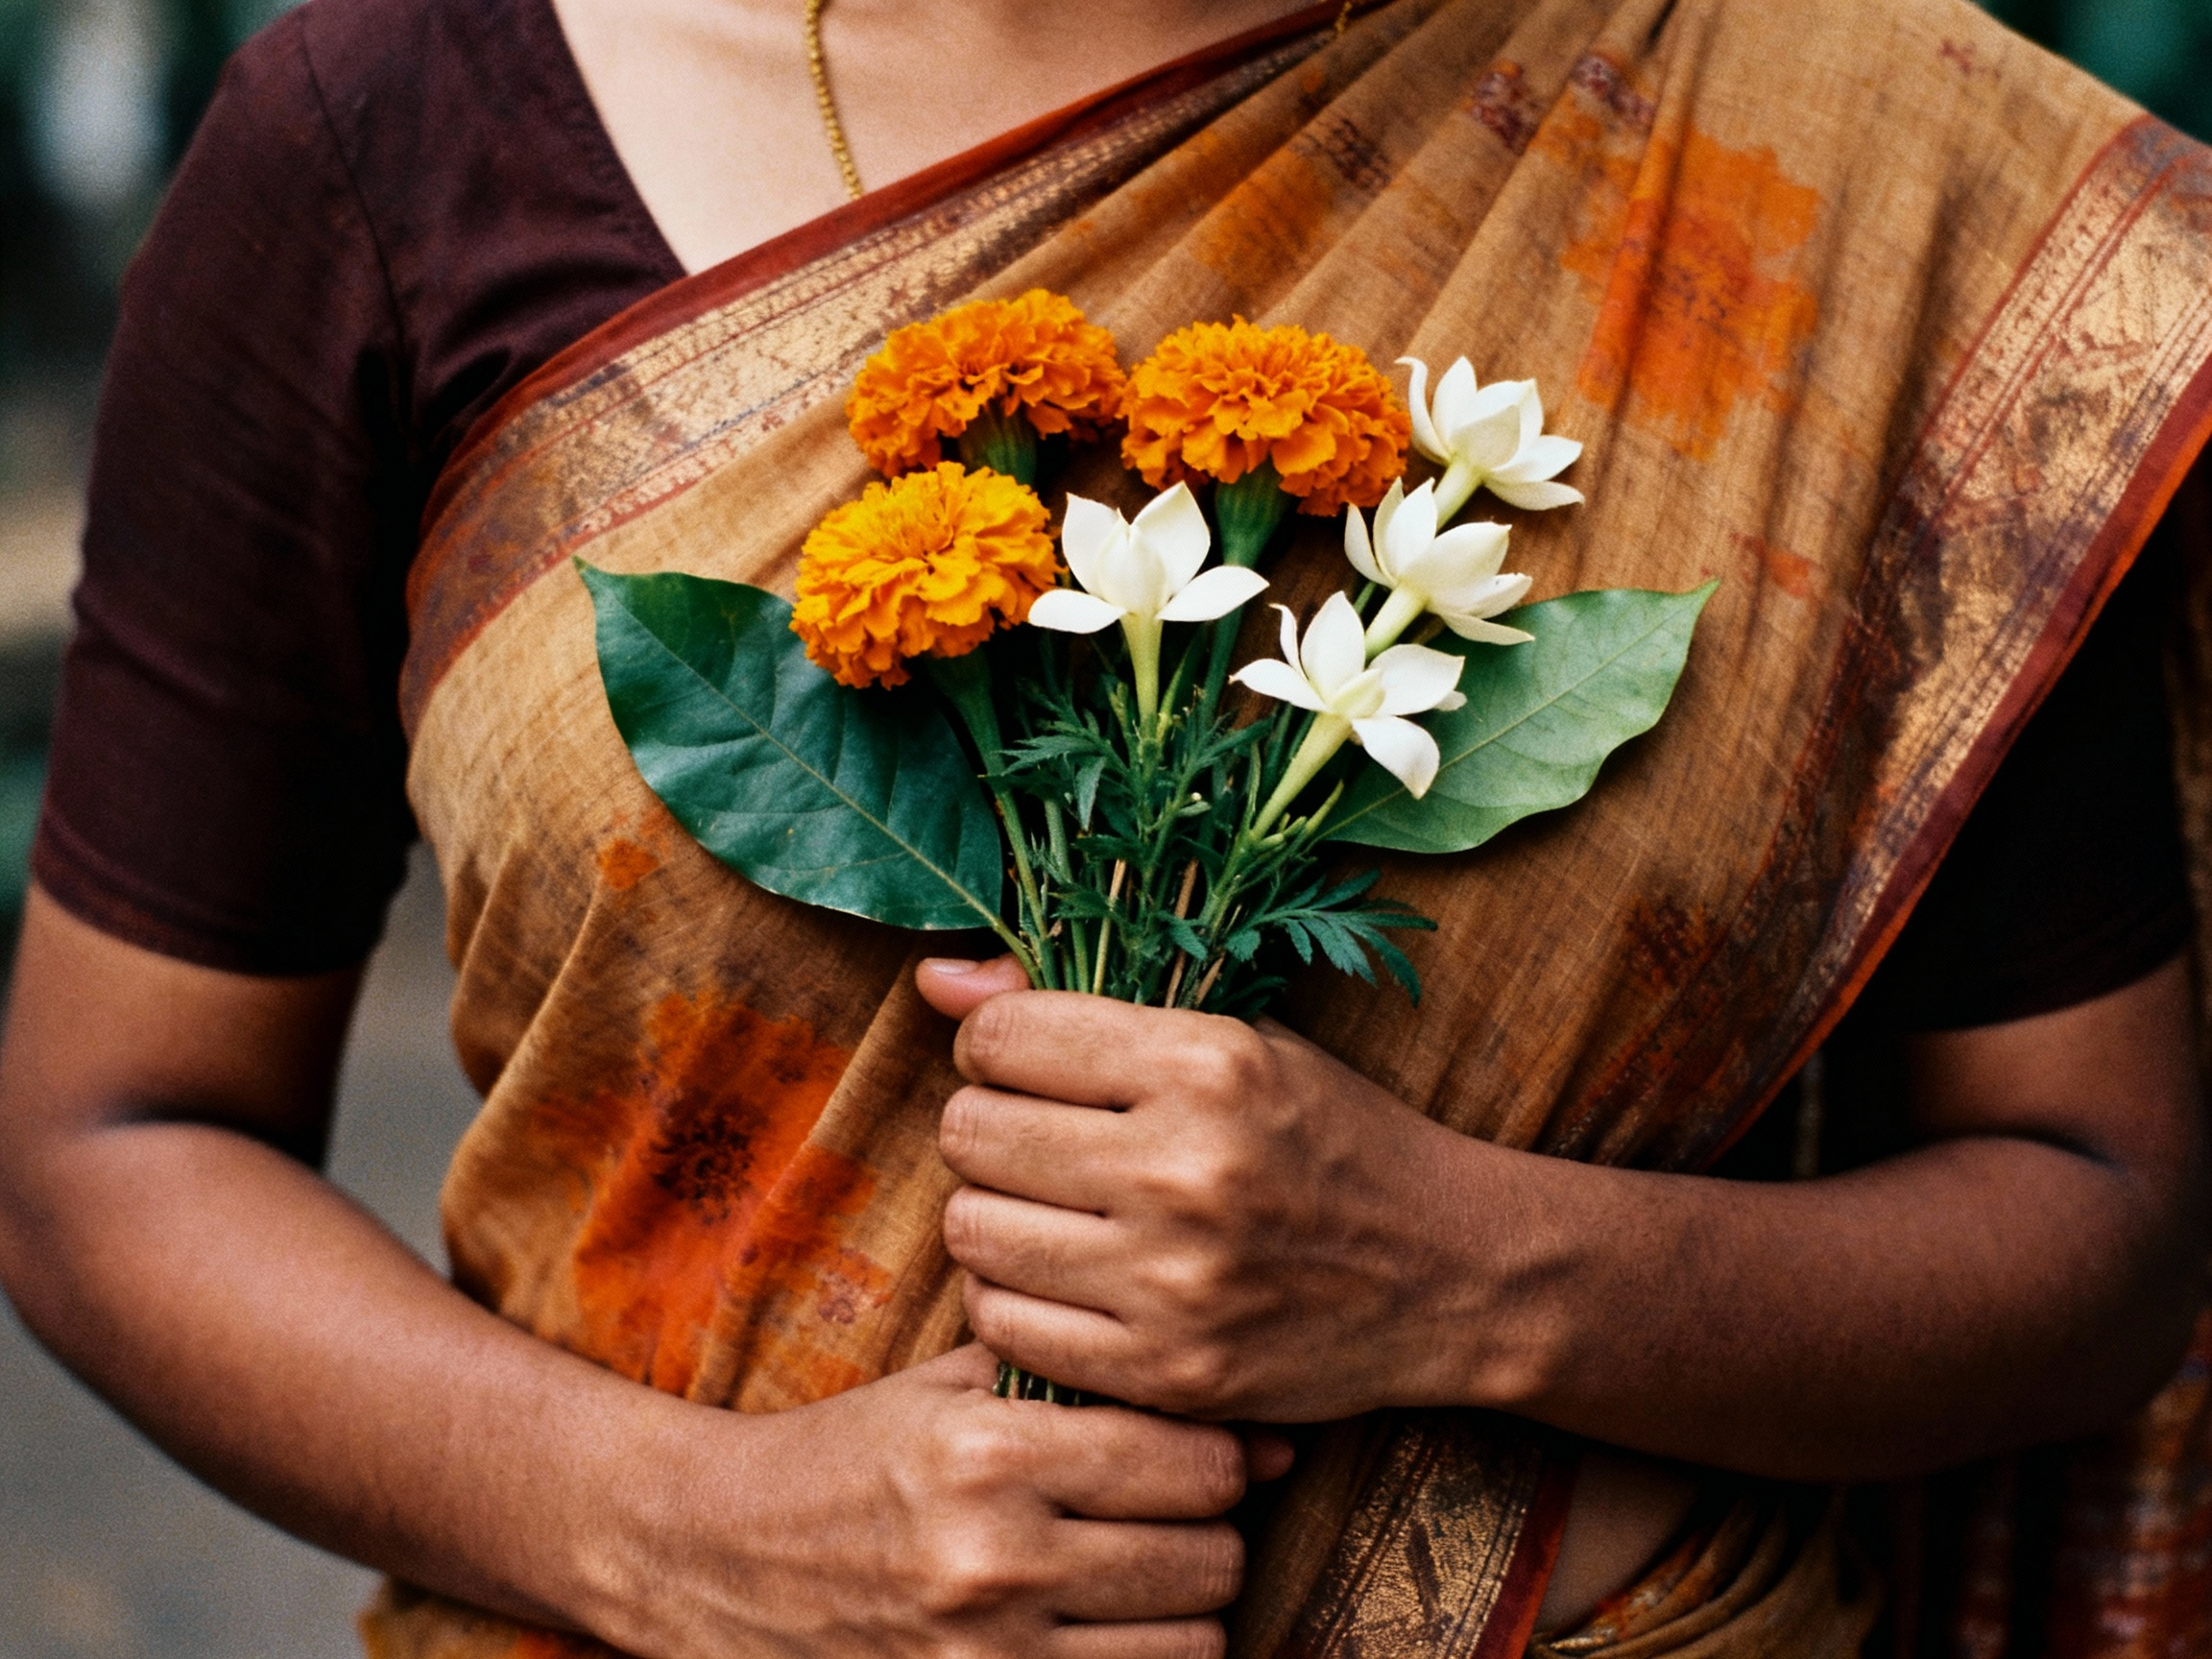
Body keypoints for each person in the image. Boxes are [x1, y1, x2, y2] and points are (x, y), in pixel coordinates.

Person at [0, 0, 2206, 1653]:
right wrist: (697, 1540)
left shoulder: (1843, 162)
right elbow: (108, 1146)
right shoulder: (394, 138)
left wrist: (1465, 1276)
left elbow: (2094, 1219)